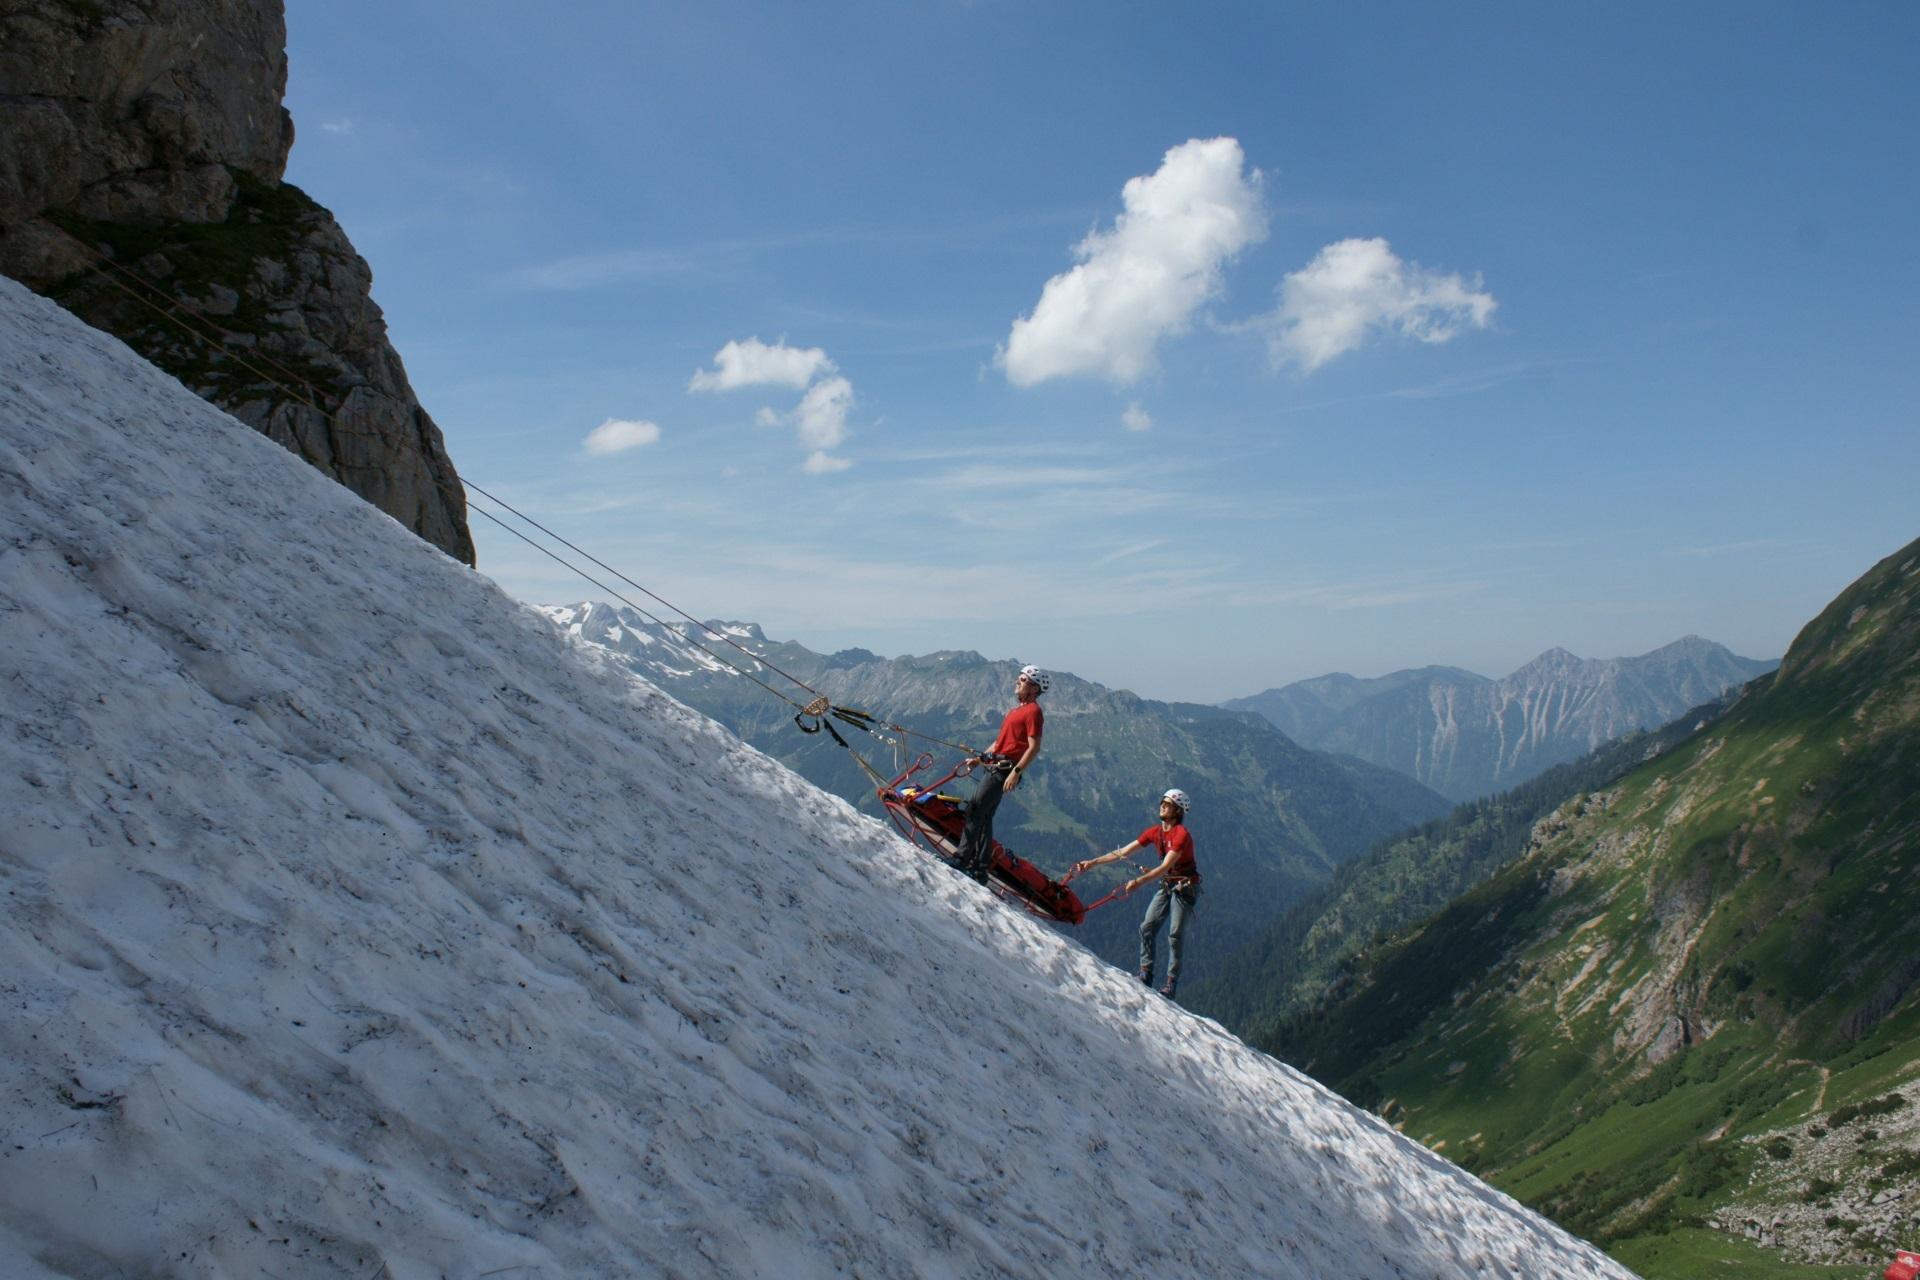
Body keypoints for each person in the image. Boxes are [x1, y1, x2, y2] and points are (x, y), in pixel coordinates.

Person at [1071, 789, 1200, 999]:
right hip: (1168, 885)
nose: (1162, 806)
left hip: (1185, 888)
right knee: (1147, 926)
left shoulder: (1181, 835)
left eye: (1167, 804)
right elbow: (1123, 852)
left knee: (1175, 934)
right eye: (1162, 802)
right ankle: (1145, 973)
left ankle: (1171, 984)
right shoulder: (1155, 832)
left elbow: (1164, 868)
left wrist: (1138, 882)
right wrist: (1092, 863)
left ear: (1177, 811)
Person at [956, 664, 1047, 883]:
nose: (1017, 681)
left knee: (975, 810)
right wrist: (978, 759)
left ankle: (961, 859)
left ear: (1034, 688)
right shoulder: (1016, 711)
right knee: (985, 816)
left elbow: (1034, 747)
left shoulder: (1033, 711)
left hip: (1004, 769)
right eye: (1019, 678)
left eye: (1023, 680)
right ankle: (979, 868)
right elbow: (999, 743)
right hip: (997, 765)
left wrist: (1016, 772)